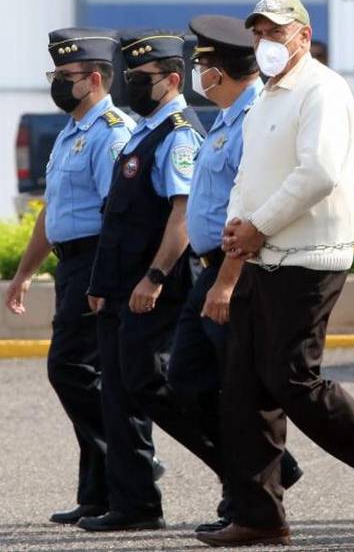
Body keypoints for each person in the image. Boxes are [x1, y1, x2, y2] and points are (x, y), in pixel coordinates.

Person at [195, 0, 354, 548]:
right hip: (262, 256)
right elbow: (248, 176)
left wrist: (258, 225)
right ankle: (260, 516)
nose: (267, 42)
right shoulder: (267, 95)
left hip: (308, 258)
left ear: (304, 33)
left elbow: (316, 173)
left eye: (277, 31)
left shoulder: (323, 88)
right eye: (260, 33)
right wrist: (237, 231)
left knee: (293, 379)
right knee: (244, 390)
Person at [163, 14, 303, 533]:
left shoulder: (254, 119)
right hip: (208, 270)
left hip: (236, 269)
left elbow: (255, 207)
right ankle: (267, 473)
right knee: (186, 383)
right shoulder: (225, 120)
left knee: (242, 390)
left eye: (202, 64)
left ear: (215, 71)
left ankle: (251, 496)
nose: (200, 73)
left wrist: (228, 276)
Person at [4, 28, 133, 526]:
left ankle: (130, 462)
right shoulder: (71, 130)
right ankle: (97, 492)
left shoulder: (112, 132)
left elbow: (117, 217)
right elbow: (51, 213)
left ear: (94, 78)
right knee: (85, 374)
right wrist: (23, 274)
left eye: (65, 76)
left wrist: (104, 281)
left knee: (71, 370)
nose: (57, 84)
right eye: (53, 74)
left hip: (96, 262)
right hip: (71, 264)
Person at [80, 30, 206, 532]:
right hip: (121, 285)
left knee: (150, 385)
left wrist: (155, 276)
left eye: (140, 78)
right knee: (120, 391)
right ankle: (134, 504)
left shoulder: (177, 133)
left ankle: (256, 467)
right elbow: (119, 218)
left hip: (156, 287)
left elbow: (182, 214)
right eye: (128, 75)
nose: (130, 84)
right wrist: (102, 281)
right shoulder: (143, 129)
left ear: (172, 79)